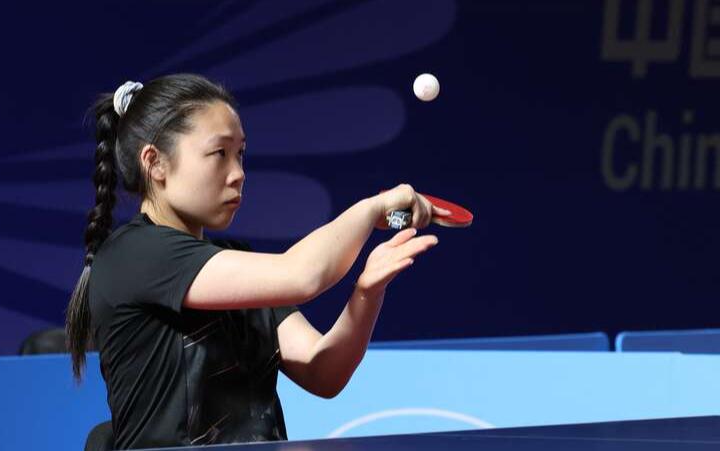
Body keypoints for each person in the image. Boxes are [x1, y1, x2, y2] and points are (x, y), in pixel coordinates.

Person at [65, 74, 443, 449]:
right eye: (219, 154)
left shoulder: (234, 263)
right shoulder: (135, 254)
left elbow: (323, 371)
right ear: (155, 163)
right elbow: (302, 275)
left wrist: (366, 293)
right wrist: (372, 209)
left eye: (240, 154)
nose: (238, 174)